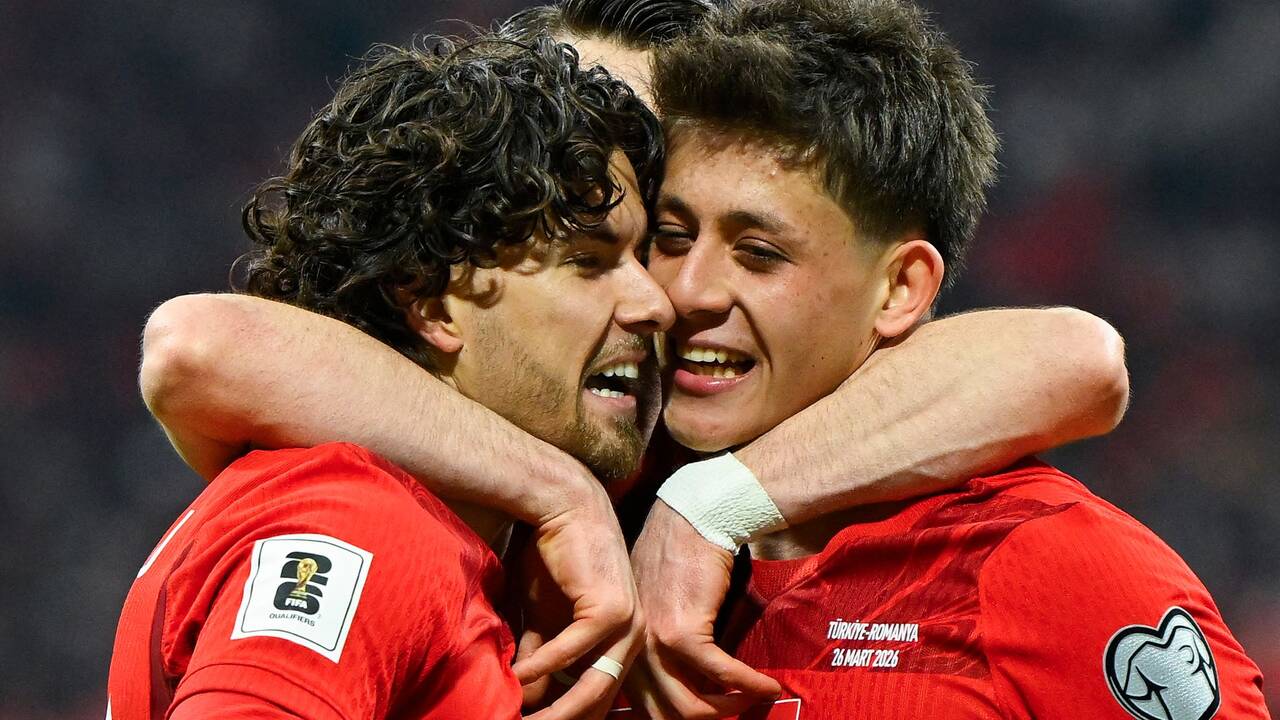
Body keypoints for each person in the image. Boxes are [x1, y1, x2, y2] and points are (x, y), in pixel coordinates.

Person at [138, 0, 1128, 712]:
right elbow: (200, 346)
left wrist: (706, 505)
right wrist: (555, 493)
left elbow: (1072, 358)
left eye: (642, 214)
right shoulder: (371, 513)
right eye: (585, 242)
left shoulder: (656, 459)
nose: (668, 293)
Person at [616, 0, 1270, 716]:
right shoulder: (598, 529)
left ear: (900, 288)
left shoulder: (1045, 565)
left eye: (759, 254)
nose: (688, 290)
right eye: (672, 238)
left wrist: (706, 506)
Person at [108, 36, 671, 719]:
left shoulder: (452, 533)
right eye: (587, 262)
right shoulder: (362, 523)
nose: (655, 304)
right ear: (431, 302)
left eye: (644, 258)